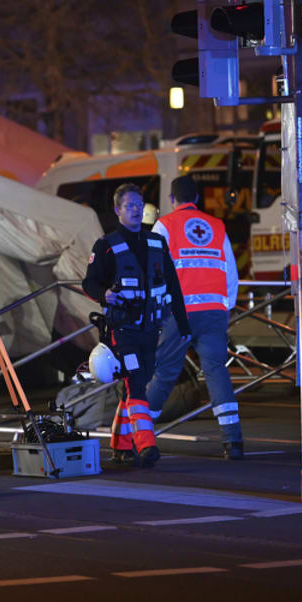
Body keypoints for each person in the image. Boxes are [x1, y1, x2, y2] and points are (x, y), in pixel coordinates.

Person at [82, 183, 191, 468]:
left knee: (133, 387)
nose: (136, 209)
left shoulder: (156, 243)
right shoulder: (106, 245)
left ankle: (120, 445)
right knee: (136, 385)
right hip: (122, 329)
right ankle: (146, 445)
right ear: (117, 210)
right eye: (129, 205)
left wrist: (183, 322)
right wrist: (104, 294)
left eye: (139, 204)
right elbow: (89, 282)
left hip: (150, 330)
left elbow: (174, 286)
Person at [147, 175, 244, 459]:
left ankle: (137, 433)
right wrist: (226, 307)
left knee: (165, 373)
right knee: (216, 371)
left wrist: (156, 308)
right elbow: (231, 273)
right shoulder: (216, 226)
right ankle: (232, 440)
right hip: (214, 312)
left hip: (178, 313)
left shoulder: (164, 225)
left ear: (172, 200)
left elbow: (155, 271)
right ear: (198, 199)